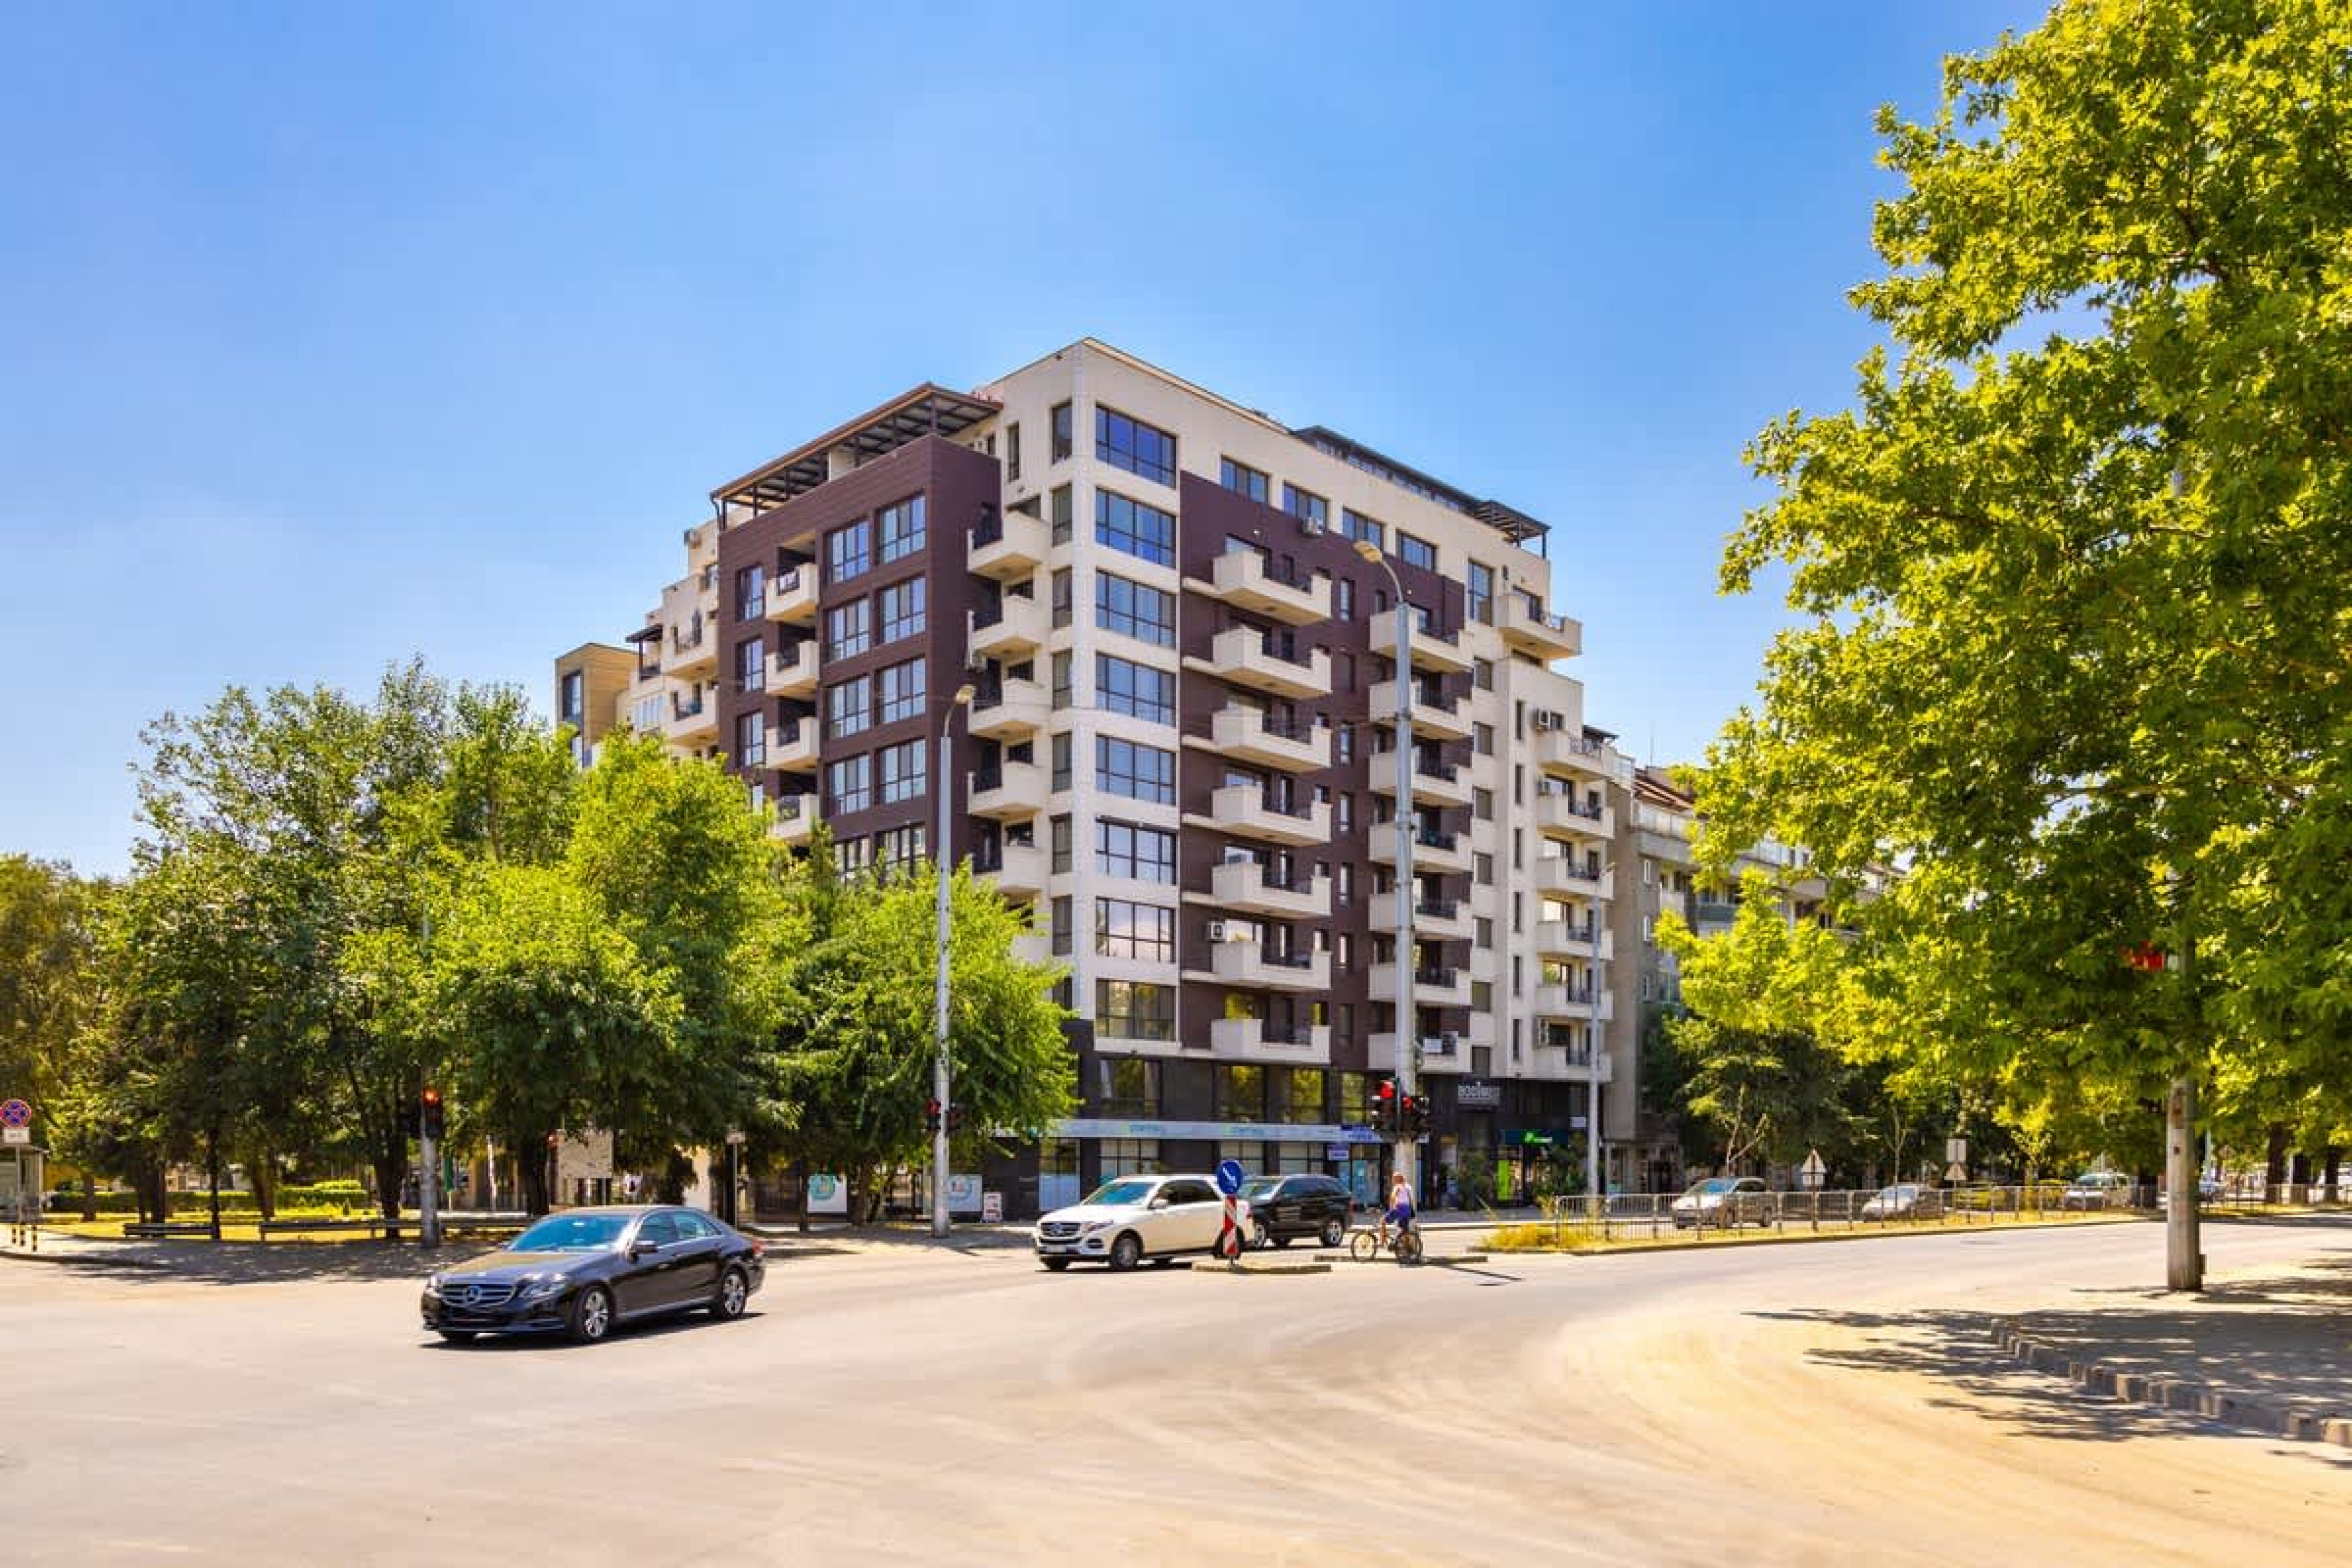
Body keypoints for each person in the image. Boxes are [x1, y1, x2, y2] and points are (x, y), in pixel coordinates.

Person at [1381, 1169, 1416, 1252]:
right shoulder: (1409, 1187)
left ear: (1397, 1179)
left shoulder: (1397, 1187)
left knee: (1383, 1220)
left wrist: (1391, 1208)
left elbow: (1393, 1198)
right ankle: (1410, 1247)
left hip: (1400, 1208)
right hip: (1408, 1210)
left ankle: (1382, 1242)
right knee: (1404, 1230)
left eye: (1394, 1178)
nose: (1392, 1180)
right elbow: (1411, 1199)